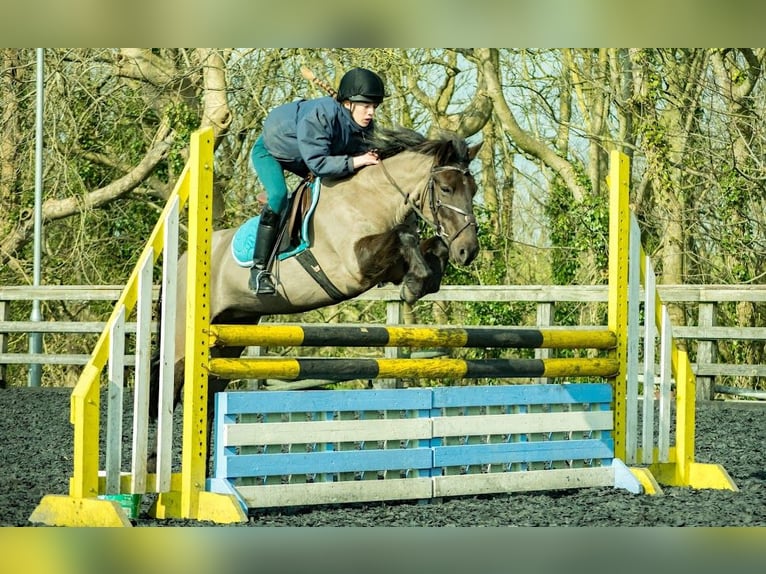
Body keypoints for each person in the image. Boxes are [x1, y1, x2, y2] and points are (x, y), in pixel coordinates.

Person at [248, 67, 386, 294]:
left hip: (307, 157)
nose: (371, 113)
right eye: (366, 106)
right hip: (271, 152)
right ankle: (259, 269)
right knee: (278, 195)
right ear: (348, 104)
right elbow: (320, 164)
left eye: (374, 107)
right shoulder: (321, 116)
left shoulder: (363, 125)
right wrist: (356, 161)